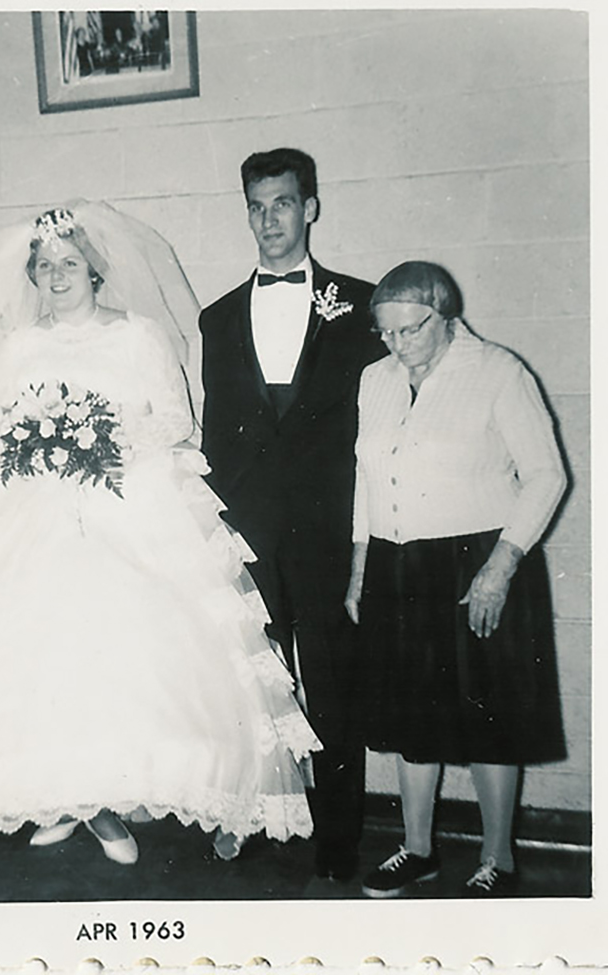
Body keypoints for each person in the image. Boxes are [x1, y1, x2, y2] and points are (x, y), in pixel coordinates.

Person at [0, 203, 321, 865]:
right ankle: (66, 796)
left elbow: (176, 421)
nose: (56, 275)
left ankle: (106, 802)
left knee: (118, 645)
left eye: (69, 263)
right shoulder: (18, 345)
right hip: (32, 507)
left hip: (127, 501)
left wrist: (104, 439)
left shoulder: (139, 336)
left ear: (96, 270)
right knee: (39, 646)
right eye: (44, 267)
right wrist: (35, 444)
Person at [346, 261, 567, 898]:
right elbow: (366, 476)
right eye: (384, 334)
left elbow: (547, 476)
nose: (396, 347)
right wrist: (362, 567)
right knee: (410, 715)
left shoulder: (499, 371)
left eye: (409, 332)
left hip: (478, 563)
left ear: (445, 316)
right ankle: (417, 850)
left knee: (490, 719)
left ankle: (497, 859)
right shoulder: (375, 379)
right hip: (395, 560)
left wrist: (501, 567)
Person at [199, 147, 384, 882]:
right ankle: (257, 815)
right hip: (247, 525)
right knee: (250, 677)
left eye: (282, 202)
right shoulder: (217, 318)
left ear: (310, 206)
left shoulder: (362, 303)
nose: (268, 219)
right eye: (256, 204)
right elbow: (216, 434)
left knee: (332, 677)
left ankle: (338, 836)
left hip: (327, 525)